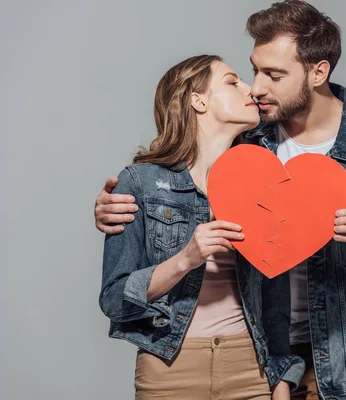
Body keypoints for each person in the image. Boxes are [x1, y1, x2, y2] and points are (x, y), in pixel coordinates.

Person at [95, 1, 346, 399]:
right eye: (253, 70)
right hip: (259, 352)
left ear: (318, 71)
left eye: (273, 74)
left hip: (336, 360)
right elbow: (180, 179)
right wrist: (116, 204)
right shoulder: (246, 143)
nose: (256, 87)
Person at [99, 54, 301, 400]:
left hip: (250, 366)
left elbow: (275, 298)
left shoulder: (263, 184)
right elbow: (114, 300)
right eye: (232, 80)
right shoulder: (140, 184)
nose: (250, 89)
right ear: (198, 100)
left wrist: (281, 379)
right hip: (169, 369)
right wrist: (186, 258)